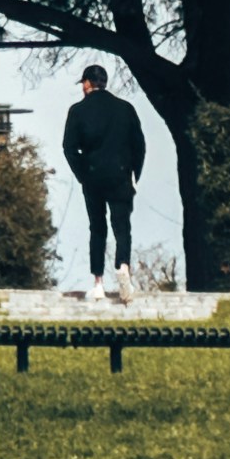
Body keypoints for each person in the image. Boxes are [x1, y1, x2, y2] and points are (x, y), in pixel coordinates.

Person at [60, 64, 147, 293]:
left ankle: (98, 282)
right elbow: (140, 145)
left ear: (87, 83)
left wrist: (82, 174)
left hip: (93, 176)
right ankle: (124, 268)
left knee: (97, 228)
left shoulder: (77, 111)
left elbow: (69, 148)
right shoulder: (125, 108)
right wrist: (134, 174)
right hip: (120, 175)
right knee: (122, 227)